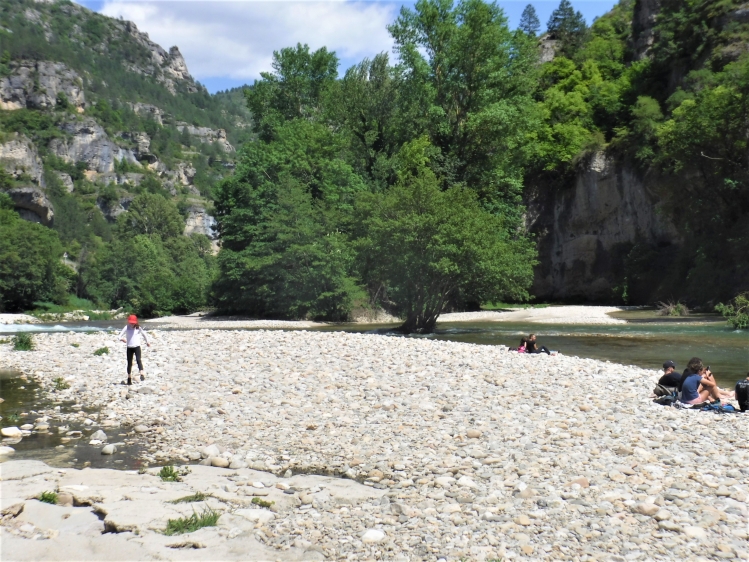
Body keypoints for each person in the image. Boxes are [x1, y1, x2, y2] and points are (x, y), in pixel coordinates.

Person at [118, 314, 150, 386]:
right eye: (131, 322)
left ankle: (141, 373)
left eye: (133, 323)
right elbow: (119, 336)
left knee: (138, 359)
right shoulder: (126, 327)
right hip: (129, 347)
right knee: (129, 363)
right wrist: (121, 339)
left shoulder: (138, 328)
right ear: (129, 322)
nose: (132, 324)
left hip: (137, 347)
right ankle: (129, 378)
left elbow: (144, 335)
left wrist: (147, 341)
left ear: (136, 322)